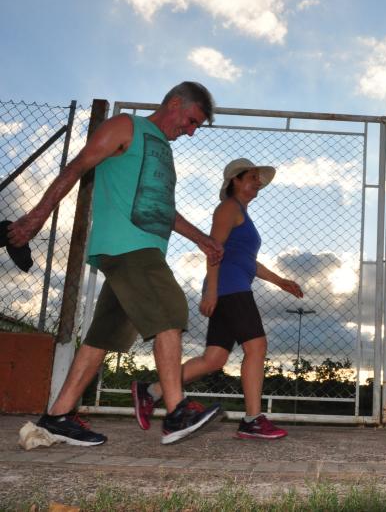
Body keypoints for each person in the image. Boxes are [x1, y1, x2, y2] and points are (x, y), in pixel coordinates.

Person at [7, 81, 224, 446]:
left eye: (194, 128)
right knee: (169, 307)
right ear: (173, 103)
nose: (189, 132)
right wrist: (37, 214)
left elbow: (161, 208)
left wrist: (201, 239)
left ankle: (57, 416)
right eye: (190, 121)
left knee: (101, 338)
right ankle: (176, 411)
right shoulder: (126, 127)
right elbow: (77, 166)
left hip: (143, 251)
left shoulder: (163, 152)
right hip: (127, 247)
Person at [132, 158, 303, 440]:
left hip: (229, 286)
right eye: (252, 176)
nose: (258, 182)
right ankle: (252, 420)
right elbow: (213, 249)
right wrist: (211, 290)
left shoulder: (242, 214)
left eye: (259, 178)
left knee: (213, 359)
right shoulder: (228, 209)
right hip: (229, 287)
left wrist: (280, 281)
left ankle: (150, 392)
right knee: (257, 346)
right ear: (235, 180)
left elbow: (248, 261)